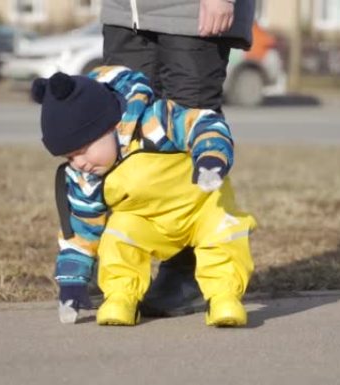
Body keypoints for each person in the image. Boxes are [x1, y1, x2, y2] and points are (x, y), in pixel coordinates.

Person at [31, 65, 256, 326]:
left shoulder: (153, 123)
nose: (79, 162)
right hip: (148, 222)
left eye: (83, 149)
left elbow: (202, 123)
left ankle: (224, 297)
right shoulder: (87, 178)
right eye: (70, 156)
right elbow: (82, 230)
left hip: (202, 205)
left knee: (224, 232)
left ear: (109, 125)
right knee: (118, 236)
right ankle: (120, 298)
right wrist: (71, 283)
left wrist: (210, 156)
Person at [99, 0, 256, 317]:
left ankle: (189, 268)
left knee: (189, 128)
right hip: (124, 10)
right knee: (124, 129)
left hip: (190, 11)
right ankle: (123, 271)